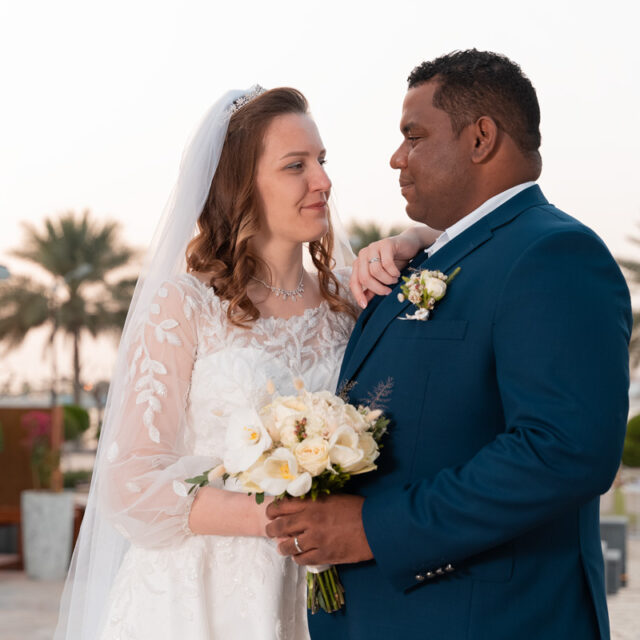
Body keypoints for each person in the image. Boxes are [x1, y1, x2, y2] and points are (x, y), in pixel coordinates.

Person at [267, 50, 632, 639]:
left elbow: (564, 449)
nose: (396, 157)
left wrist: (373, 530)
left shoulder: (554, 256)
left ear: (481, 137)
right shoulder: (436, 257)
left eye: (413, 136)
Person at [53, 86, 437, 640]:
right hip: (199, 592)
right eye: (295, 166)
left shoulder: (345, 303)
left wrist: (408, 240)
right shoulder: (184, 305)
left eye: (322, 161)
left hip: (320, 590)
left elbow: (441, 248)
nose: (323, 181)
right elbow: (131, 483)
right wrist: (284, 517)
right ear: (240, 186)